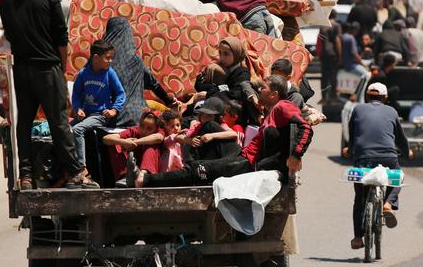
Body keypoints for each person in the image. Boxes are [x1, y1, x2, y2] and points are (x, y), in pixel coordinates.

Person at [0, 0, 95, 190]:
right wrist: (61, 69)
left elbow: (9, 34)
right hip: (48, 68)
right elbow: (61, 38)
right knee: (59, 122)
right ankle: (74, 172)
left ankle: (27, 176)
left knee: (24, 123)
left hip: (22, 69)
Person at [134, 75, 312, 188]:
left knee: (198, 170)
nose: (259, 90)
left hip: (249, 165)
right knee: (209, 129)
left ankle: (146, 180)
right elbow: (247, 84)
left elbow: (305, 128)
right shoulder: (270, 111)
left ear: (273, 94)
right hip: (243, 155)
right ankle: (193, 165)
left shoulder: (283, 106)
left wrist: (295, 155)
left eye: (263, 88)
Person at [343, 82, 413, 250]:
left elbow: (353, 135)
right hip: (388, 157)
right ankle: (388, 203)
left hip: (362, 158)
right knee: (398, 176)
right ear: (385, 98)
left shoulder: (358, 109)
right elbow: (401, 139)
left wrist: (350, 150)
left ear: (368, 97)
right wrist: (407, 151)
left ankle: (358, 238)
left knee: (359, 198)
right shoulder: (392, 111)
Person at [102, 17, 179, 127]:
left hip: (108, 119)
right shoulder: (135, 60)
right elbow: (154, 84)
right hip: (138, 118)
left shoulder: (99, 60)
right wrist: (167, 100)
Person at [70, 40, 126, 173]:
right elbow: (76, 94)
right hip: (86, 113)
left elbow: (120, 93)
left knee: (77, 130)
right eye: (107, 58)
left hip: (100, 115)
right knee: (65, 131)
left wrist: (114, 109)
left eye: (111, 58)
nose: (110, 61)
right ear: (96, 58)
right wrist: (78, 108)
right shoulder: (83, 73)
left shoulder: (110, 73)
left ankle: (81, 168)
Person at [195, 37, 255, 122]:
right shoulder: (220, 66)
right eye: (220, 53)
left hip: (231, 114)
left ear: (236, 54)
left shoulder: (242, 73)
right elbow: (204, 86)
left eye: (226, 54)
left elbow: (235, 95)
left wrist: (208, 94)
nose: (222, 57)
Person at [104, 111, 165, 187]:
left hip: (149, 173)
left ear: (156, 128)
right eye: (142, 126)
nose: (143, 131)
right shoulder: (135, 130)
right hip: (132, 168)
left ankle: (143, 176)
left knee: (151, 146)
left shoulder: (159, 132)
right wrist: (124, 142)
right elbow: (106, 139)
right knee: (114, 144)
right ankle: (125, 176)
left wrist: (135, 142)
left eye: (149, 128)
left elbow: (158, 138)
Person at [184, 97, 240, 161]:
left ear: (218, 117)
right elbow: (180, 137)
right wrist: (190, 140)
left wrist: (212, 136)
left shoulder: (221, 126)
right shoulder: (197, 125)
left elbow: (234, 134)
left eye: (209, 116)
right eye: (203, 114)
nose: (205, 118)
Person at [318, 10, 342, 102]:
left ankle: (324, 97)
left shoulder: (323, 26)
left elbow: (319, 41)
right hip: (333, 54)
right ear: (335, 15)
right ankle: (333, 96)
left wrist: (319, 53)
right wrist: (340, 55)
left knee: (324, 76)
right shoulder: (336, 25)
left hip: (324, 54)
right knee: (333, 76)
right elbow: (337, 40)